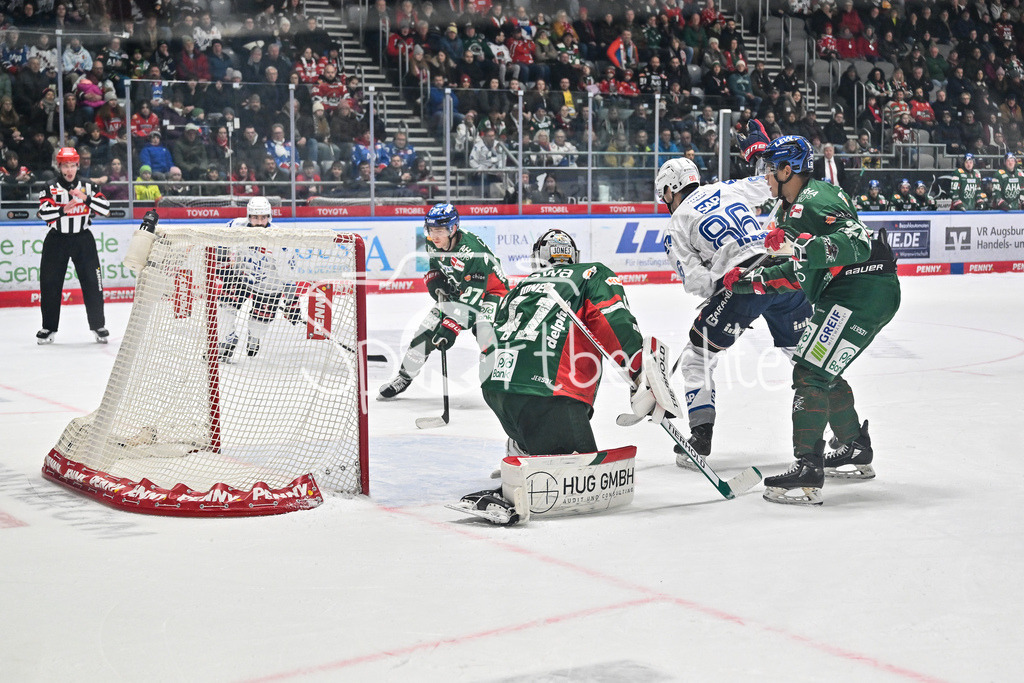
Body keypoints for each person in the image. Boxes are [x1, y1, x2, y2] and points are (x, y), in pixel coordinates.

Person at [724, 135, 901, 506]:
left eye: (770, 170)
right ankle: (854, 447)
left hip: (860, 289)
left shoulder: (818, 197)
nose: (766, 178)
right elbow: (797, 272)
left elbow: (858, 242)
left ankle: (808, 467)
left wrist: (800, 247)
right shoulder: (791, 211)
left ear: (789, 170)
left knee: (809, 372)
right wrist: (745, 283)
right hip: (854, 292)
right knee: (822, 372)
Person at [454, 229, 649, 522]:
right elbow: (615, 321)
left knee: (536, 423)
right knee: (583, 480)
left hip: (496, 388)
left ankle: (523, 446)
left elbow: (488, 334)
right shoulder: (591, 273)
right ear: (574, 257)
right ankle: (518, 486)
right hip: (548, 395)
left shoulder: (521, 286)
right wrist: (639, 373)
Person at [659, 142, 811, 460]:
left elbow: (697, 281)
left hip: (743, 284)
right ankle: (843, 435)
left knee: (696, 359)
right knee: (805, 358)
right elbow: (771, 186)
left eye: (665, 195)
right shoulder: (726, 188)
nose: (665, 202)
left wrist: (720, 294)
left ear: (671, 189)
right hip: (784, 270)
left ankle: (700, 438)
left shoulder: (675, 225)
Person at [378, 203, 510, 399]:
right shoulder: (432, 242)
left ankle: (497, 383)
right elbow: (436, 263)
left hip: (491, 293)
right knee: (425, 333)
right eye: (431, 230)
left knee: (486, 333)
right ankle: (404, 377)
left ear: (453, 229)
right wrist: (435, 278)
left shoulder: (472, 253)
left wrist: (450, 327)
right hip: (459, 290)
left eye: (440, 230)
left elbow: (471, 302)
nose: (435, 235)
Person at [35, 147, 112, 345]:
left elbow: (105, 209)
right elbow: (43, 213)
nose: (69, 170)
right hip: (57, 240)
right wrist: (63, 210)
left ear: (78, 165)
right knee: (50, 284)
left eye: (72, 165)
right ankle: (48, 327)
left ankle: (98, 325)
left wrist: (84, 197)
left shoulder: (88, 185)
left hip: (83, 240)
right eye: (65, 166)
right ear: (59, 166)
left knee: (93, 283)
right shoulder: (50, 186)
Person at [215, 196, 299, 360]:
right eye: (255, 217)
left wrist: (292, 302)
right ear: (249, 217)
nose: (259, 222)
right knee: (224, 310)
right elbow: (221, 244)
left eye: (263, 217)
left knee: (258, 326)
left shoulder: (279, 241)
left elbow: (288, 277)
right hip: (241, 277)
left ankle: (254, 336)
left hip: (269, 286)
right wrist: (223, 264)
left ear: (269, 217)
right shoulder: (235, 226)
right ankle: (227, 340)